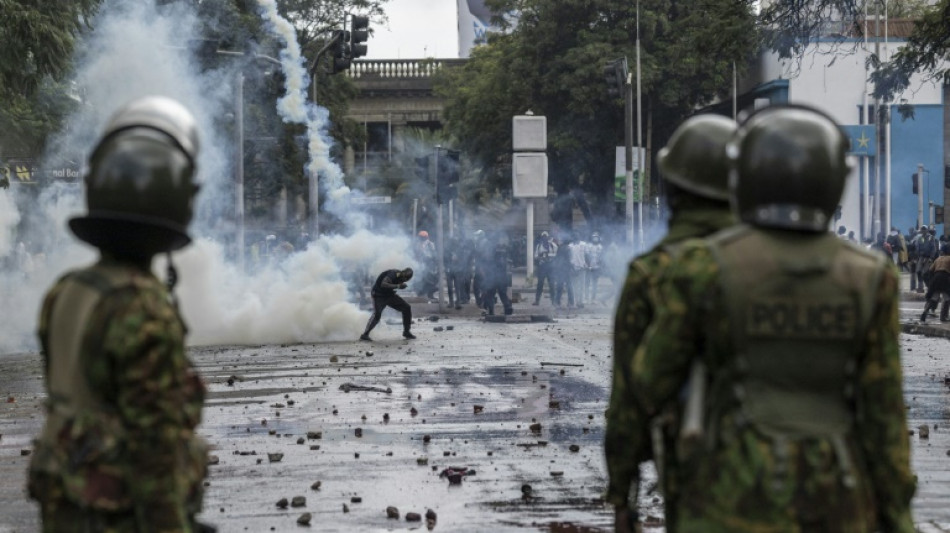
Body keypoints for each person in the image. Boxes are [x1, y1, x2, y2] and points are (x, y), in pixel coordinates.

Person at [633, 105, 915, 532]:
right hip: (837, 503)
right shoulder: (872, 278)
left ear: (746, 178)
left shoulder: (702, 266)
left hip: (727, 500)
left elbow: (651, 382)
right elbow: (885, 416)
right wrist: (897, 516)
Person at [27, 96, 212, 531]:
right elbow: (155, 449)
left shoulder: (68, 289)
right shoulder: (142, 307)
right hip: (121, 514)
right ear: (179, 200)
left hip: (65, 504)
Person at [606, 114, 738, 532]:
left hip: (699, 474)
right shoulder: (793, 267)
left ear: (673, 189)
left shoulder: (655, 272)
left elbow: (630, 399)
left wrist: (622, 496)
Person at [360, 267, 416, 341]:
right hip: (378, 295)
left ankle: (406, 332)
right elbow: (383, 284)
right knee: (377, 314)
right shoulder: (393, 274)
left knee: (406, 308)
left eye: (406, 280)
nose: (404, 280)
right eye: (404, 278)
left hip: (389, 295)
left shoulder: (400, 277)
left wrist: (398, 286)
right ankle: (365, 335)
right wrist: (398, 286)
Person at [482, 234, 512, 316]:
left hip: (493, 276)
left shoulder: (491, 250)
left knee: (490, 294)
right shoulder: (503, 250)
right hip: (502, 276)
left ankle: (491, 311)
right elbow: (507, 262)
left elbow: (487, 261)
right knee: (502, 293)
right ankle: (507, 307)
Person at [921, 243, 950, 322]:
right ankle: (943, 316)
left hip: (936, 278)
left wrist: (931, 282)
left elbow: (930, 270)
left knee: (933, 297)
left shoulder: (938, 259)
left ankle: (924, 312)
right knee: (947, 298)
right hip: (945, 278)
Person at [533, 231, 557, 306]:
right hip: (542, 267)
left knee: (552, 285)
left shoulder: (553, 245)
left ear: (547, 237)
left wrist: (548, 256)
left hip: (550, 267)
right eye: (543, 237)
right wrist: (541, 256)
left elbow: (556, 255)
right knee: (540, 284)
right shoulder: (539, 246)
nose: (544, 238)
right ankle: (537, 301)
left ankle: (553, 301)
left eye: (545, 236)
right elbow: (535, 256)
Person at [585, 232, 604, 304]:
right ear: (592, 238)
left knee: (595, 284)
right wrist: (588, 265)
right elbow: (586, 256)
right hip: (589, 267)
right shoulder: (588, 246)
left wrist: (600, 264)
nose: (595, 239)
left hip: (597, 267)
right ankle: (586, 298)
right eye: (594, 237)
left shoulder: (600, 247)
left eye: (596, 237)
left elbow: (601, 257)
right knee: (587, 283)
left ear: (598, 238)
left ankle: (593, 299)